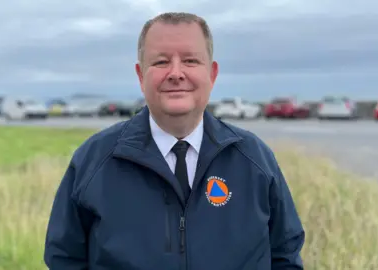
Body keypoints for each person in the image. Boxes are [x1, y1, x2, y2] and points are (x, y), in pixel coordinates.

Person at [43, 12, 305, 270]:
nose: (176, 73)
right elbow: (64, 258)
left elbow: (285, 255)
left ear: (212, 74)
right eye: (160, 62)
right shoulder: (93, 161)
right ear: (140, 74)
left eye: (190, 60)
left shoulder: (254, 160)